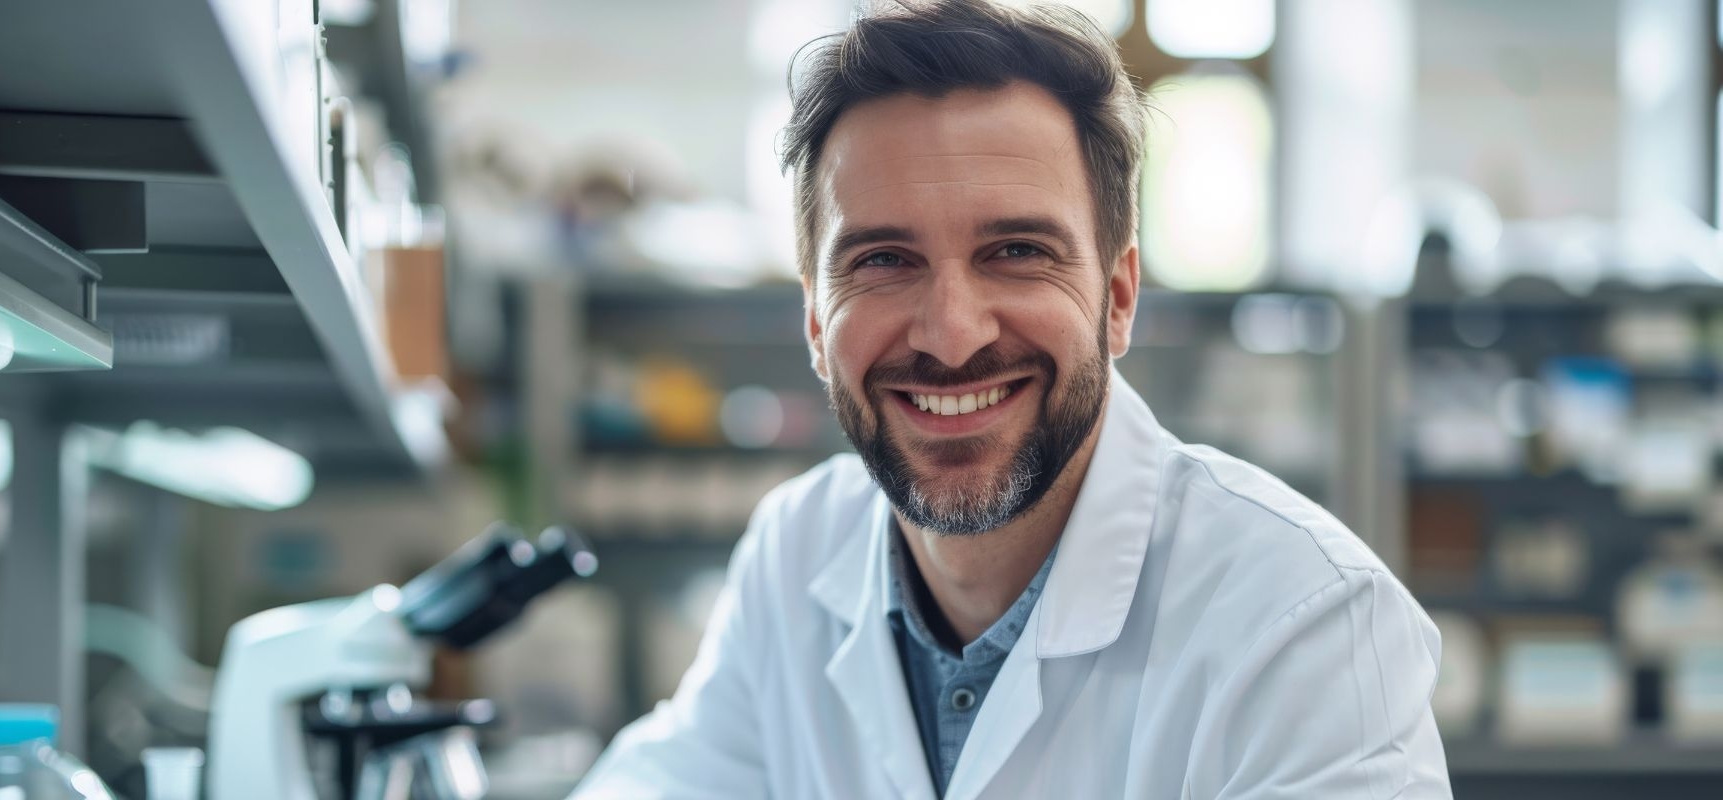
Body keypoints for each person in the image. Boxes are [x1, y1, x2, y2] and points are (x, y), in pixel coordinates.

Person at [572, 1, 1451, 797]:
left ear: (1116, 298)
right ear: (813, 318)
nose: (951, 336)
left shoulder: (1310, 628)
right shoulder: (796, 554)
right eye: (883, 260)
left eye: (1017, 252)